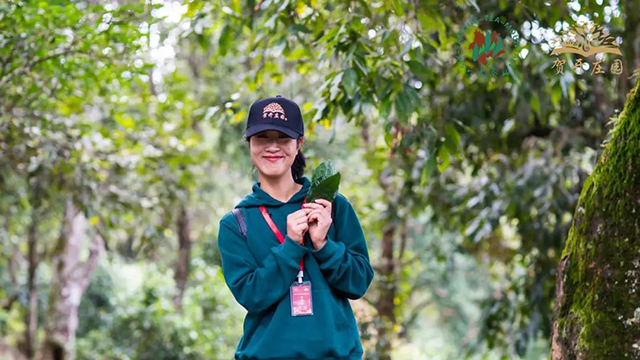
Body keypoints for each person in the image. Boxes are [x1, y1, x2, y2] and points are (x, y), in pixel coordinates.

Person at [217, 95, 375, 360]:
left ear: (299, 143)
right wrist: (290, 246)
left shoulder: (331, 206)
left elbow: (358, 284)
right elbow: (251, 296)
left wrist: (324, 246)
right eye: (262, 138)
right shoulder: (237, 223)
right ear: (249, 144)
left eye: (282, 138)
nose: (272, 147)